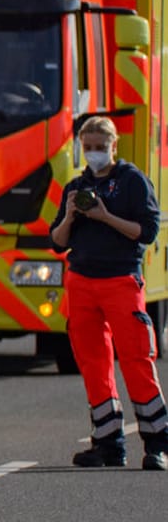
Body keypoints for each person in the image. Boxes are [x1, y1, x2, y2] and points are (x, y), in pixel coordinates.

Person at [51, 115, 166, 470]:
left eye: (101, 147)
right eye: (89, 147)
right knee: (94, 363)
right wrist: (71, 215)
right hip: (82, 281)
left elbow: (146, 232)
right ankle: (108, 443)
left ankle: (157, 443)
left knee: (136, 359)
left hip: (120, 280)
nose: (95, 153)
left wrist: (104, 216)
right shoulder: (76, 186)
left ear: (114, 146)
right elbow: (57, 241)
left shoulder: (132, 182)